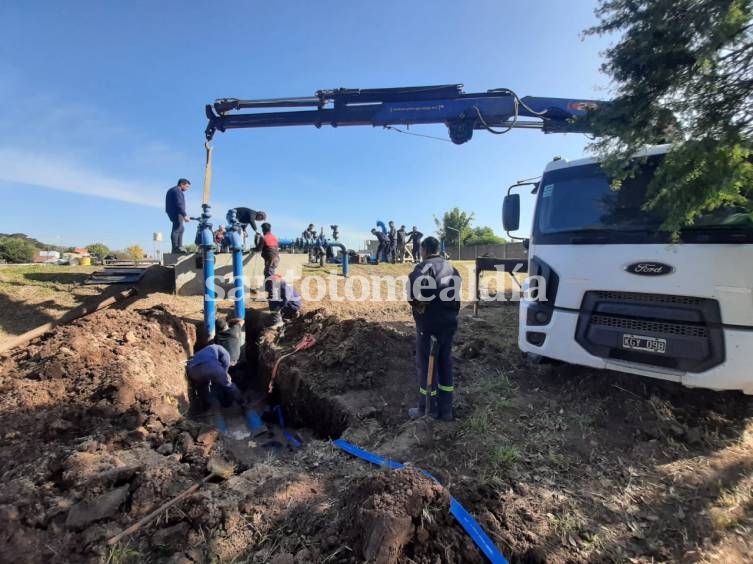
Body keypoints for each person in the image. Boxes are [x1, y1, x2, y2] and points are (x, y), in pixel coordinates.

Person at [407, 236, 461, 421]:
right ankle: (446, 410)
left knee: (426, 367)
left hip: (429, 327)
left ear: (424, 249)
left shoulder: (422, 269)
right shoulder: (452, 268)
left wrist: (421, 304)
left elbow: (416, 294)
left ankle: (426, 410)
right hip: (449, 324)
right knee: (445, 363)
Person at [187, 343, 244, 410]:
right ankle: (241, 402)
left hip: (193, 371)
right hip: (209, 368)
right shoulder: (224, 358)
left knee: (203, 384)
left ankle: (204, 405)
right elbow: (224, 375)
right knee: (228, 385)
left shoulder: (211, 348)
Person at [255, 222, 280, 300]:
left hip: (270, 259)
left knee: (269, 276)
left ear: (263, 229)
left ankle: (272, 294)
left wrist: (256, 240)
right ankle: (270, 292)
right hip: (276, 259)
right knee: (269, 275)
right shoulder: (275, 237)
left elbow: (258, 249)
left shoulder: (264, 237)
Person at [165, 178, 191, 253]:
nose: (187, 189)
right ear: (182, 184)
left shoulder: (172, 190)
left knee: (181, 228)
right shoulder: (177, 191)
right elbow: (179, 203)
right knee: (177, 229)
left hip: (172, 212)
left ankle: (179, 246)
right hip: (177, 212)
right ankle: (176, 248)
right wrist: (184, 215)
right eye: (187, 186)